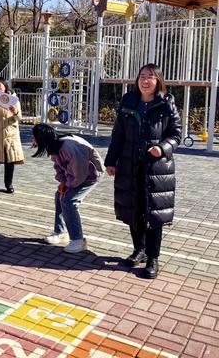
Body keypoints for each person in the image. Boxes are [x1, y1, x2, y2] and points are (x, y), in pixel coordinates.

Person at [104, 63, 181, 279]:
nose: (145, 80)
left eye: (150, 77)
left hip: (156, 169)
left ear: (158, 81)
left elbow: (176, 134)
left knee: (154, 214)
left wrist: (162, 148)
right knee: (133, 209)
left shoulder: (166, 104)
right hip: (129, 166)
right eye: (141, 76)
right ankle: (139, 250)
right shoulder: (129, 102)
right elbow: (117, 135)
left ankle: (153, 258)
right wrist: (111, 161)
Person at [32, 123, 105, 253]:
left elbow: (79, 174)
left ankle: (78, 240)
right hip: (77, 176)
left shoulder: (69, 147)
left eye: (35, 137)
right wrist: (62, 183)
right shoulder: (55, 145)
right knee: (59, 195)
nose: (33, 140)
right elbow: (59, 167)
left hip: (90, 176)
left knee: (69, 201)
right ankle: (60, 232)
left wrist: (67, 185)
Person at [0, 78, 24, 193]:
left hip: (10, 133)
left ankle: (9, 184)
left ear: (5, 87)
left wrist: (15, 112)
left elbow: (19, 117)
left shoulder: (14, 99)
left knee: (9, 160)